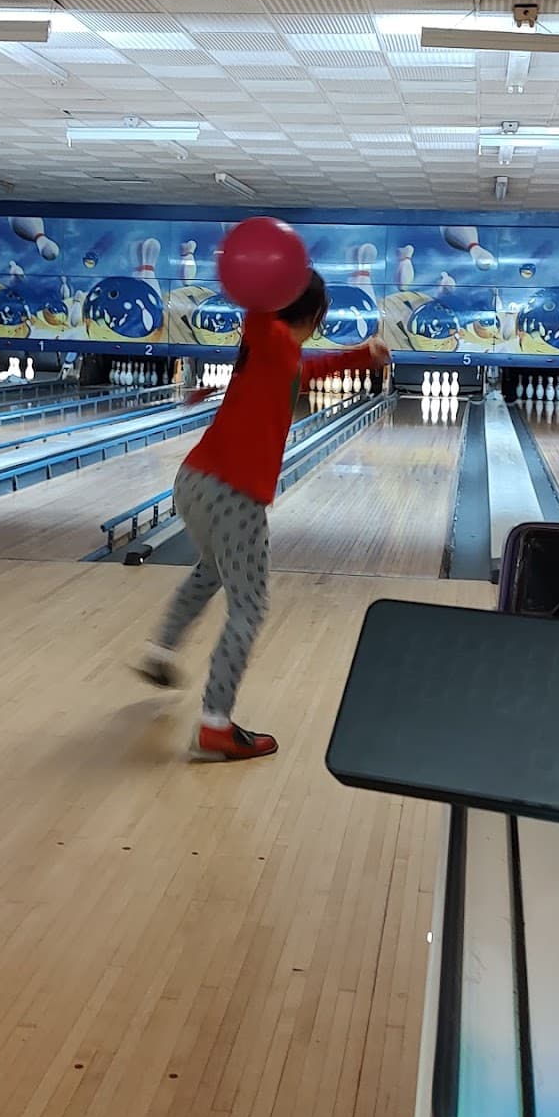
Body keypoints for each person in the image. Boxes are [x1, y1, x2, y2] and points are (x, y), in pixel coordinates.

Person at [134, 270, 390, 761]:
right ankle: (215, 725)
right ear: (316, 315)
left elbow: (307, 373)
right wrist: (267, 275)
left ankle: (161, 651)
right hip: (232, 493)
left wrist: (362, 356)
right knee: (249, 607)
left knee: (210, 571)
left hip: (194, 482)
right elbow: (261, 315)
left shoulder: (278, 356)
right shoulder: (269, 336)